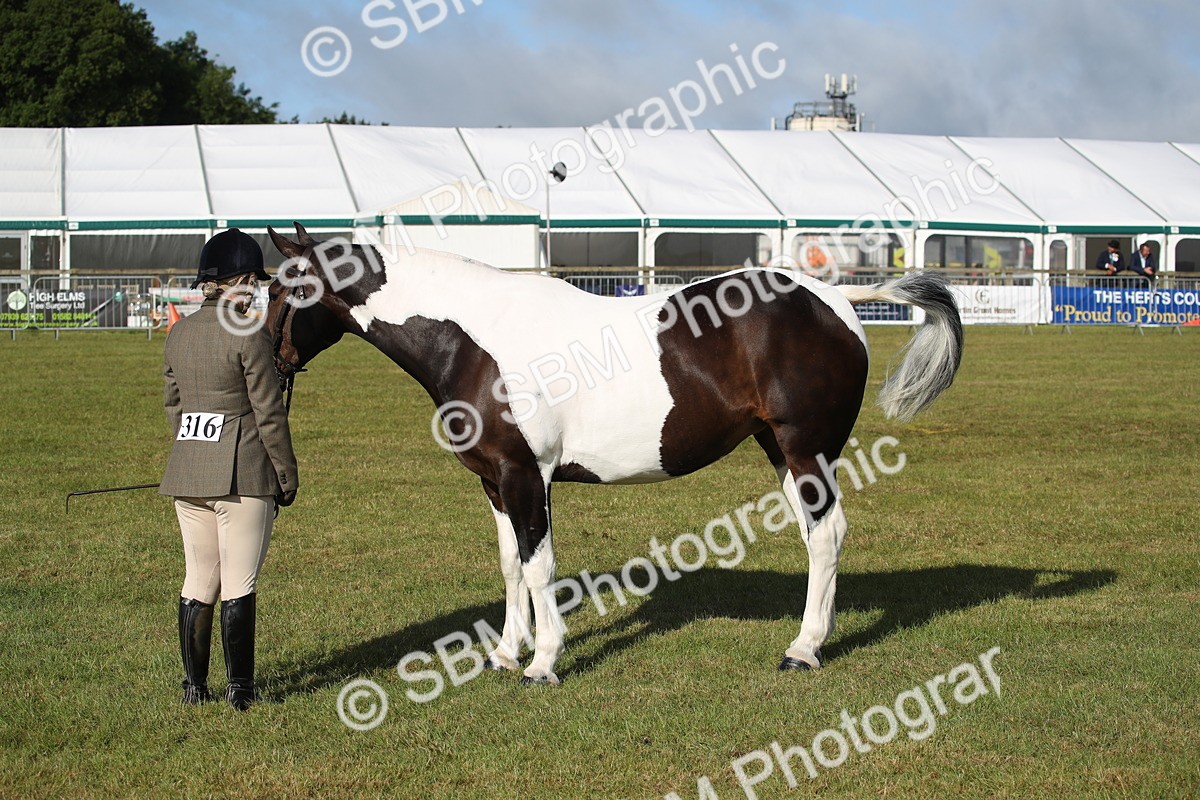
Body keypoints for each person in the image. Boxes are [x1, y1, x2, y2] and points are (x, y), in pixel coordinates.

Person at [160, 229, 298, 709]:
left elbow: (175, 408)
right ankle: (241, 691)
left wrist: (196, 448)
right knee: (239, 582)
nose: (258, 291)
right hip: (242, 476)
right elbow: (269, 414)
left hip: (187, 474)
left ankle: (195, 689)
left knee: (198, 580)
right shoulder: (248, 333)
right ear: (237, 281)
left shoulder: (178, 332)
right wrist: (286, 476)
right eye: (254, 282)